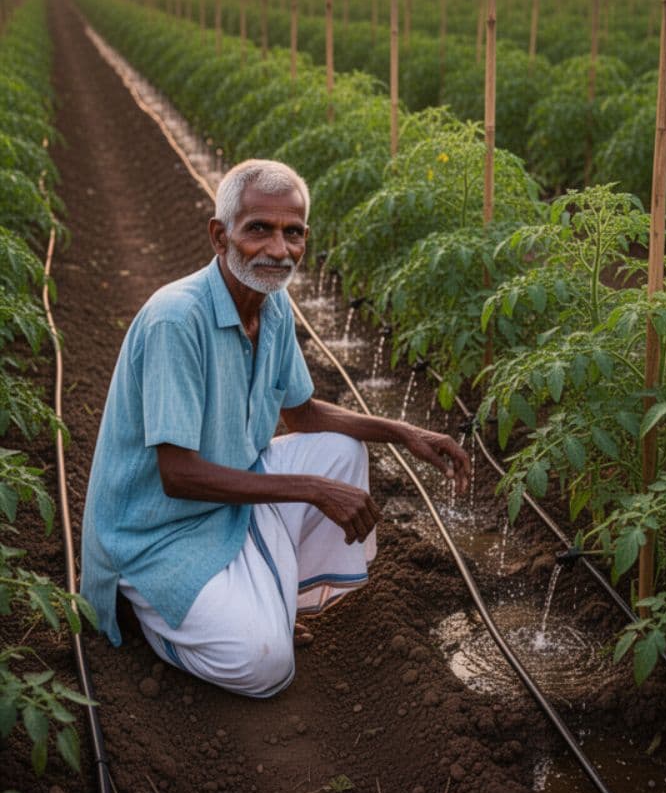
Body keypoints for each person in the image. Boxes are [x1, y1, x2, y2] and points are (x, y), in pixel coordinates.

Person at [81, 158, 470, 697]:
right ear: (220, 236)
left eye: (294, 233)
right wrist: (312, 489)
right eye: (259, 229)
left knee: (343, 452)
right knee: (265, 667)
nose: (279, 249)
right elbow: (178, 475)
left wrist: (404, 433)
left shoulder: (274, 305)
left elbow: (302, 413)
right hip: (159, 532)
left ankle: (265, 598)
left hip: (226, 500)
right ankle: (156, 620)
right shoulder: (177, 320)